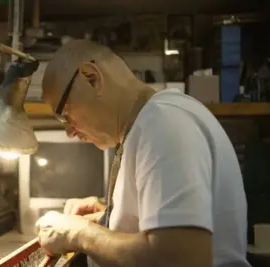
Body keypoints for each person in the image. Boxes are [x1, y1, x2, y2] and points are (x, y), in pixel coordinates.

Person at [34, 39, 251, 267]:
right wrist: (111, 217)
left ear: (92, 78)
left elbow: (181, 259)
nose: (69, 131)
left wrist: (78, 233)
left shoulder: (163, 123)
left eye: (65, 115)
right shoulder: (150, 122)